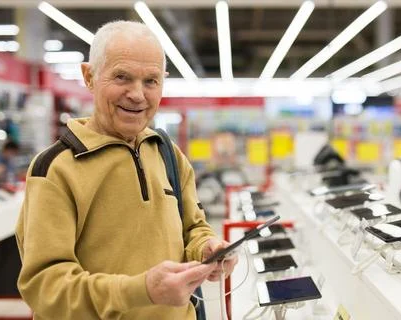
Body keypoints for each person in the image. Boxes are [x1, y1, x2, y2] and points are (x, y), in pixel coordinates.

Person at [16, 21, 237, 319]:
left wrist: (207, 248)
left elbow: (193, 228)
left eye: (151, 81)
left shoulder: (167, 153)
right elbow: (46, 288)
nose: (137, 95)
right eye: (122, 77)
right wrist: (140, 290)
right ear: (89, 77)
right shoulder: (56, 170)